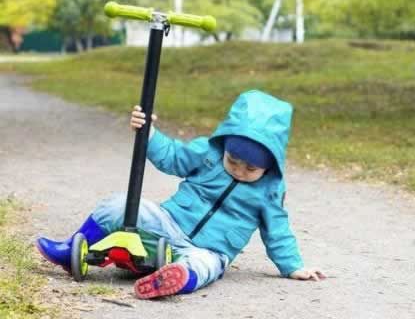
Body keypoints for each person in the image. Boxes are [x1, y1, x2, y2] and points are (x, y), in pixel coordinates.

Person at [36, 90, 326, 299]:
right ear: (224, 144)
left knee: (205, 266)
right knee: (119, 204)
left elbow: (278, 231)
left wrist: (293, 267)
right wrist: (149, 134)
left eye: (251, 168)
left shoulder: (270, 191)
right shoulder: (208, 153)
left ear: (270, 164)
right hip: (168, 224)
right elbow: (172, 156)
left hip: (209, 249)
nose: (239, 170)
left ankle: (175, 279)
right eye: (233, 161)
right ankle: (73, 248)